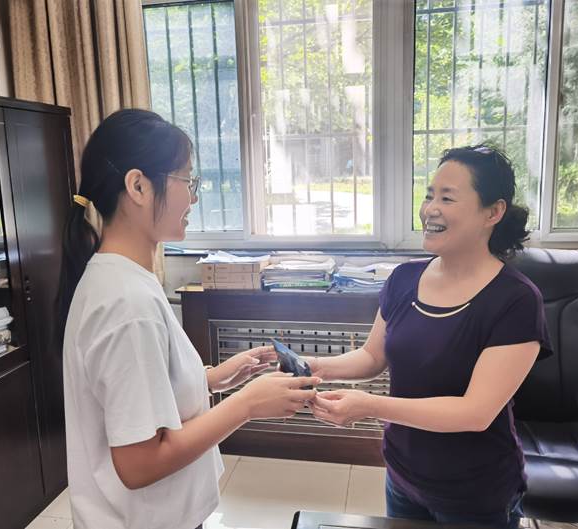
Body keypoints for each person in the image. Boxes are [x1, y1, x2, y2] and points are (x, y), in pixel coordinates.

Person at [56, 109, 320, 529]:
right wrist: (246, 405)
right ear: (138, 186)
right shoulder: (127, 304)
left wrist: (210, 379)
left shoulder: (123, 281)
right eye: (187, 181)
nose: (193, 198)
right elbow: (139, 463)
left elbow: (136, 393)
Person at [310, 145, 551, 528]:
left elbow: (475, 412)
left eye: (447, 198)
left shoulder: (516, 300)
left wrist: (370, 406)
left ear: (493, 212)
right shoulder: (403, 278)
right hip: (403, 478)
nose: (430, 209)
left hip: (476, 493)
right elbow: (372, 357)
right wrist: (313, 366)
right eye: (428, 195)